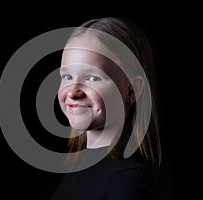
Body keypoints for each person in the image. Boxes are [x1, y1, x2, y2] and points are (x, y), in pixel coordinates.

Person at [51, 17, 162, 200]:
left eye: (93, 78)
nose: (73, 92)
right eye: (68, 76)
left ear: (132, 90)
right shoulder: (80, 168)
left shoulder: (127, 183)